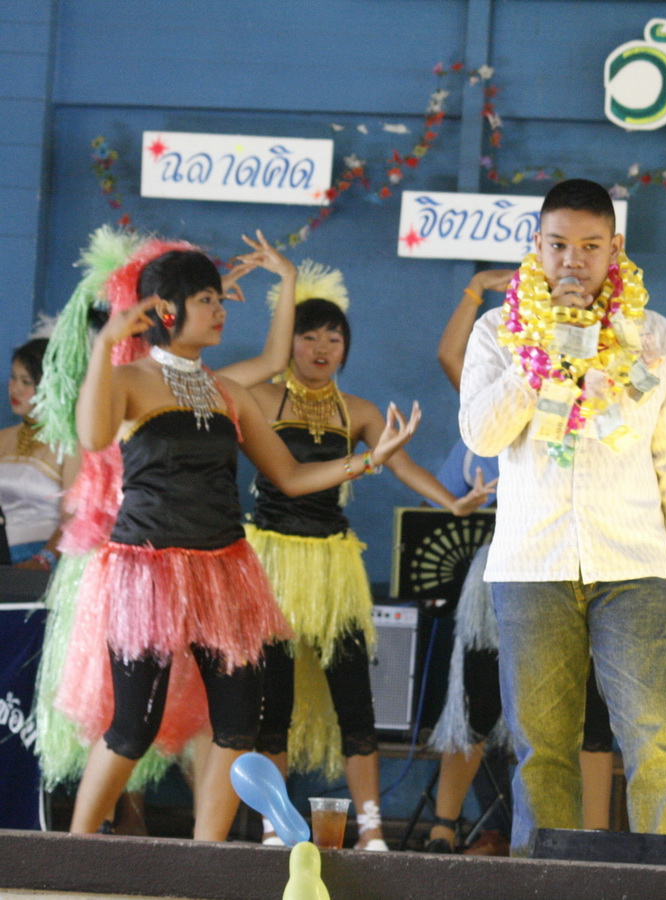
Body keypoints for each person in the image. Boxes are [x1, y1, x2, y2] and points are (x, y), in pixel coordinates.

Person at [58, 241, 419, 841]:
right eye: (208, 301)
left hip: (225, 569)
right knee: (134, 725)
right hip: (147, 570)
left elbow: (292, 475)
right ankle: (75, 850)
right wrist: (104, 346)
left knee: (239, 723)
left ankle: (208, 857)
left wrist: (367, 460)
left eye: (219, 299)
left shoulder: (227, 391)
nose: (221, 311)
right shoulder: (128, 380)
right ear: (167, 311)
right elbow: (93, 435)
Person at [459, 179, 666, 854]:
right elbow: (481, 437)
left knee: (659, 736)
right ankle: (544, 884)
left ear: (615, 248)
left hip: (633, 564)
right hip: (532, 566)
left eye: (589, 246)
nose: (572, 261)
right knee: (541, 747)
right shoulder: (497, 332)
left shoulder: (653, 334)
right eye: (557, 245)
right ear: (536, 245)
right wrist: (545, 356)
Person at [247, 260, 493, 851]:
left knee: (355, 704)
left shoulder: (356, 410)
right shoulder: (259, 397)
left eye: (334, 338)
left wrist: (453, 503)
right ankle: (274, 826)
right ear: (288, 343)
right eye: (309, 336)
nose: (321, 348)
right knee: (271, 705)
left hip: (334, 569)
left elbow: (401, 464)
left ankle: (372, 830)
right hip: (271, 565)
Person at [426, 272, 613, 853]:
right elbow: (450, 357)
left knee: (588, 711)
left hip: (584, 562)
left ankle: (594, 841)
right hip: (502, 564)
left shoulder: (605, 395)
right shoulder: (502, 392)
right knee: (479, 698)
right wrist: (472, 292)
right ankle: (442, 828)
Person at [1, 336, 78, 568]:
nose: (15, 388)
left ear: (50, 386)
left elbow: (75, 519)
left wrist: (44, 559)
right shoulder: (3, 437)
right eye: (13, 378)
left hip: (45, 563)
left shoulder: (70, 444)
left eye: (26, 381)